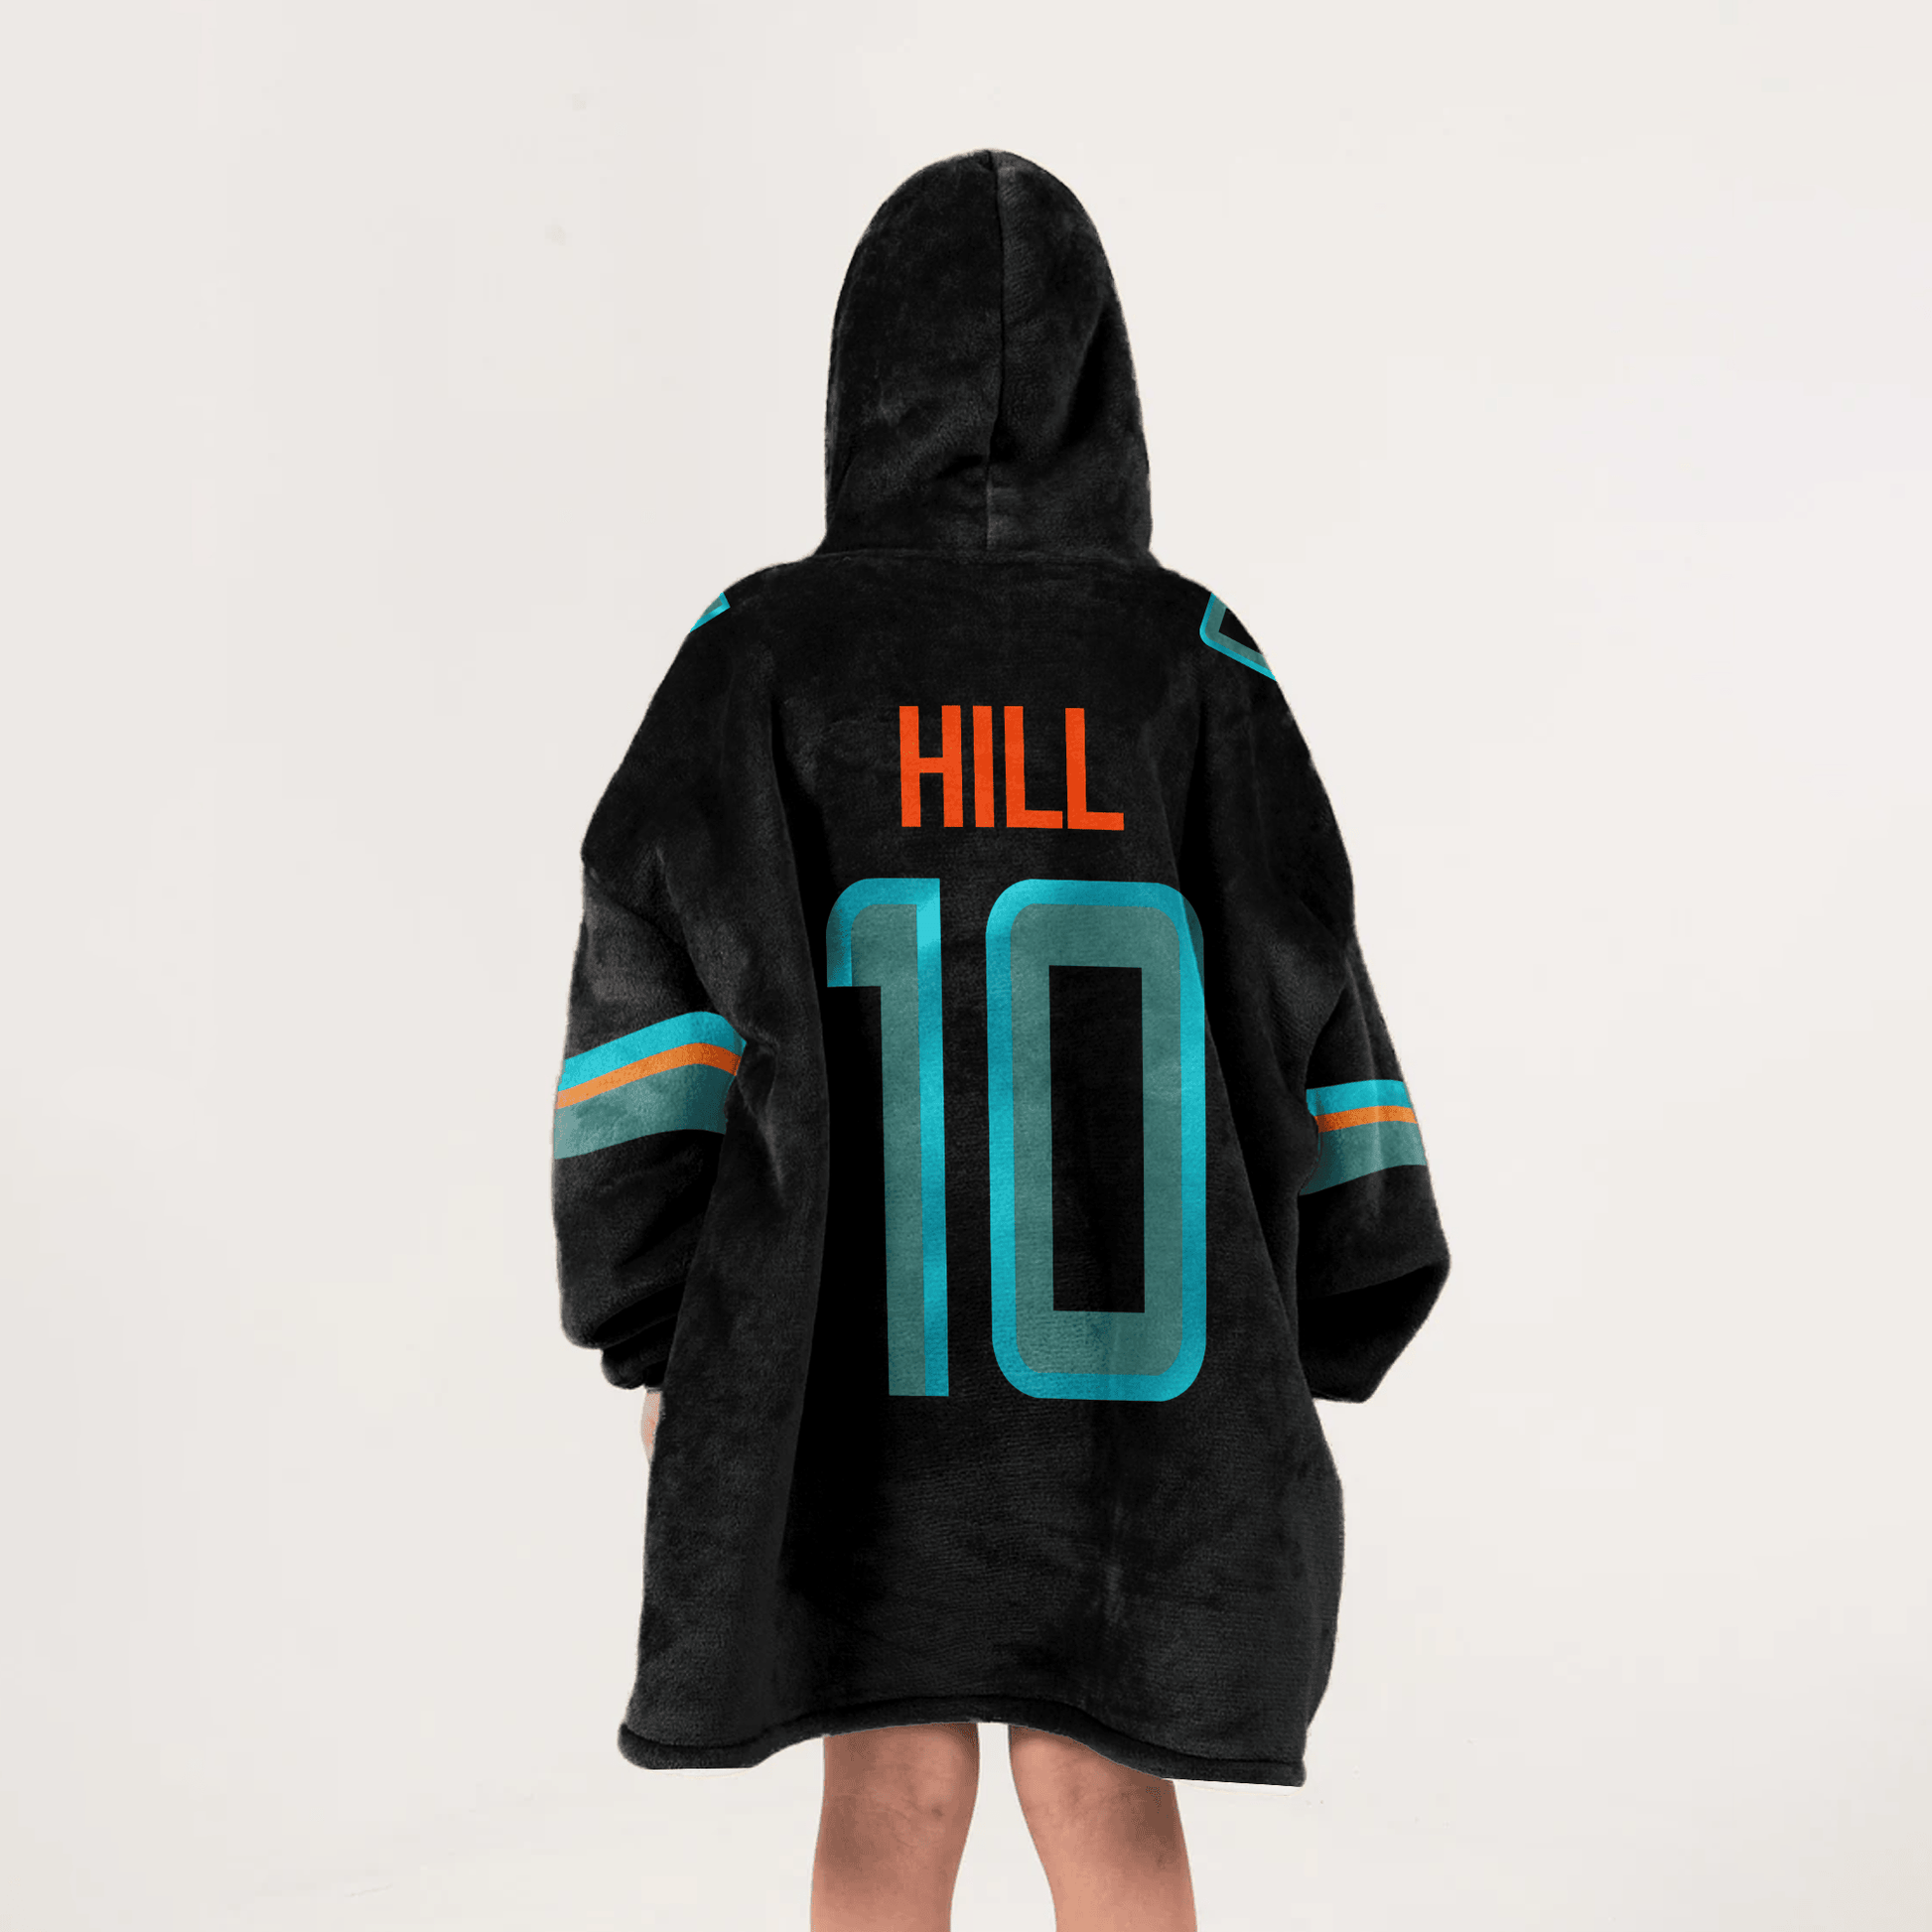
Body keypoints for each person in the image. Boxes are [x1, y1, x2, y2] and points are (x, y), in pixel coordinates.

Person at [552, 149, 1450, 1931]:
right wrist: (1347, 1288)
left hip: (841, 1353)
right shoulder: (1189, 657)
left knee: (886, 1779)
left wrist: (657, 1322)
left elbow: (645, 991)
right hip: (1141, 1372)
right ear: (1103, 382)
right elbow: (1309, 972)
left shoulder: (758, 652)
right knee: (1101, 1776)